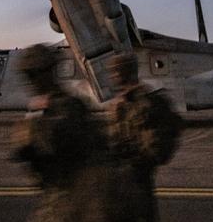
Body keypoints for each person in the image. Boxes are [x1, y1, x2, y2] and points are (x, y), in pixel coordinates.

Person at [9, 44, 111, 222]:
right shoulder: (45, 108)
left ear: (49, 72)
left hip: (74, 202)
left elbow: (55, 141)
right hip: (58, 199)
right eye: (27, 75)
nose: (31, 81)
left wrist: (30, 132)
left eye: (33, 74)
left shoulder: (67, 107)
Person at [106, 53, 183, 222]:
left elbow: (170, 129)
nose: (112, 76)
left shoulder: (149, 102)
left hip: (138, 178)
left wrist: (141, 158)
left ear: (125, 72)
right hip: (118, 180)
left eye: (115, 71)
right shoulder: (118, 104)